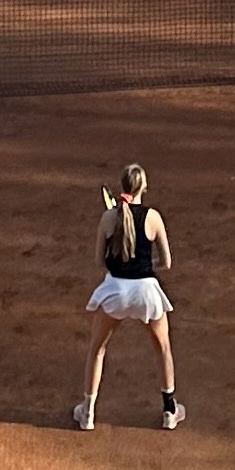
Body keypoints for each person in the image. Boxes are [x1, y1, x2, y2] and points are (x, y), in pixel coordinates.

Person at [74, 162, 185, 429]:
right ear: (143, 187)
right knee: (163, 348)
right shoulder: (154, 217)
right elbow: (167, 262)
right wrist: (146, 268)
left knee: (97, 349)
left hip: (114, 293)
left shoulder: (109, 218)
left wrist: (121, 261)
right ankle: (170, 411)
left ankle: (87, 413)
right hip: (147, 293)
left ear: (123, 186)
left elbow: (100, 261)